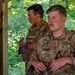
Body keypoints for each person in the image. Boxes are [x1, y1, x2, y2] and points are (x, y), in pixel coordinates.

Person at [27, 4, 75, 75]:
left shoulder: (72, 37)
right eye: (49, 18)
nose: (50, 21)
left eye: (54, 18)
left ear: (63, 19)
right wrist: (34, 63)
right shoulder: (43, 40)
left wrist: (68, 60)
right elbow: (30, 61)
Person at [18, 4, 50, 75]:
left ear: (37, 16)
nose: (28, 18)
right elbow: (29, 47)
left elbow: (53, 48)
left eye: (30, 16)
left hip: (42, 71)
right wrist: (23, 44)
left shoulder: (49, 29)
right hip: (30, 69)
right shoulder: (31, 29)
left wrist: (38, 44)